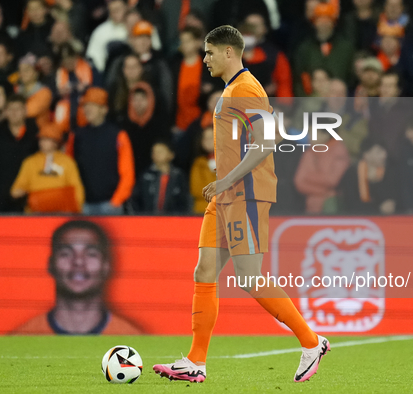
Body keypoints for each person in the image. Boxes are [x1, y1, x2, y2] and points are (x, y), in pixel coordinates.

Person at [153, 25, 330, 384]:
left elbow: (268, 141)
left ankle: (312, 342)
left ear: (229, 53)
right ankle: (196, 362)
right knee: (204, 272)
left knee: (249, 279)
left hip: (245, 193)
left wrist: (228, 179)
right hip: (226, 195)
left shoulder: (246, 88)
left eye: (209, 52)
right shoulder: (232, 89)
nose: (204, 59)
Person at [12, 220, 142, 334]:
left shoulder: (130, 339)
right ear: (50, 264)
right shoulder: (23, 337)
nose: (78, 262)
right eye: (66, 253)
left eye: (90, 254)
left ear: (106, 266)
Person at [68, 87, 135, 215]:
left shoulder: (118, 135)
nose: (87, 109)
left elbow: (127, 173)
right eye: (85, 105)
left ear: (104, 109)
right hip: (83, 205)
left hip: (109, 205)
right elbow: (69, 169)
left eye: (93, 105)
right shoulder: (76, 136)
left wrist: (116, 202)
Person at [0, 94, 39, 212]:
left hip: (28, 200)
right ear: (5, 112)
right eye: (10, 109)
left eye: (18, 109)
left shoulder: (35, 138)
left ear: (25, 111)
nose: (14, 113)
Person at [11, 123, 84, 213]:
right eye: (42, 139)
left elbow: (77, 188)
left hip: (60, 213)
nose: (43, 142)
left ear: (56, 141)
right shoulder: (30, 162)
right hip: (35, 214)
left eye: (47, 139)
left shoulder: (67, 162)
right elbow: (16, 189)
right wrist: (22, 192)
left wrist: (76, 209)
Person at [293, 2, 355, 95]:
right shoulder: (304, 49)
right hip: (312, 99)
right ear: (314, 22)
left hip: (339, 99)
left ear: (333, 22)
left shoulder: (346, 48)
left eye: (327, 20)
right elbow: (299, 78)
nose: (323, 23)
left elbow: (351, 78)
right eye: (320, 20)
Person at [294, 128, 350, 214]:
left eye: (313, 133)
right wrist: (325, 192)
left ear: (325, 135)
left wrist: (308, 176)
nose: (309, 137)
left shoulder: (339, 151)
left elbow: (332, 180)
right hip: (311, 205)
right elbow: (299, 182)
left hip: (332, 204)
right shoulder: (309, 153)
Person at [338, 137, 399, 214]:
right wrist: (377, 209)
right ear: (366, 155)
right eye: (379, 152)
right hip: (359, 219)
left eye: (384, 151)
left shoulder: (390, 171)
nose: (384, 155)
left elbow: (393, 198)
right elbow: (350, 203)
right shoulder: (351, 174)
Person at [131, 141, 190, 214]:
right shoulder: (145, 176)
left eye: (160, 151)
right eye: (154, 152)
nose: (156, 154)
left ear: (171, 155)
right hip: (147, 220)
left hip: (174, 221)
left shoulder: (179, 176)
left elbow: (185, 201)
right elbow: (136, 200)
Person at [86, 0, 129, 73]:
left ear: (126, 9)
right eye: (112, 11)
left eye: (118, 10)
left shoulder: (137, 26)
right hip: (109, 74)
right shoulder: (100, 31)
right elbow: (94, 58)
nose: (115, 13)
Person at [17, 53, 53, 128]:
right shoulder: (17, 90)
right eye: (20, 71)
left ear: (36, 72)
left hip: (38, 132)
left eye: (26, 70)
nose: (22, 73)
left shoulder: (44, 92)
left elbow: (29, 112)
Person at [190, 127, 216, 214]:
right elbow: (196, 190)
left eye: (211, 137)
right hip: (202, 210)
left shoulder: (229, 161)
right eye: (205, 138)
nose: (208, 141)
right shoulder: (198, 163)